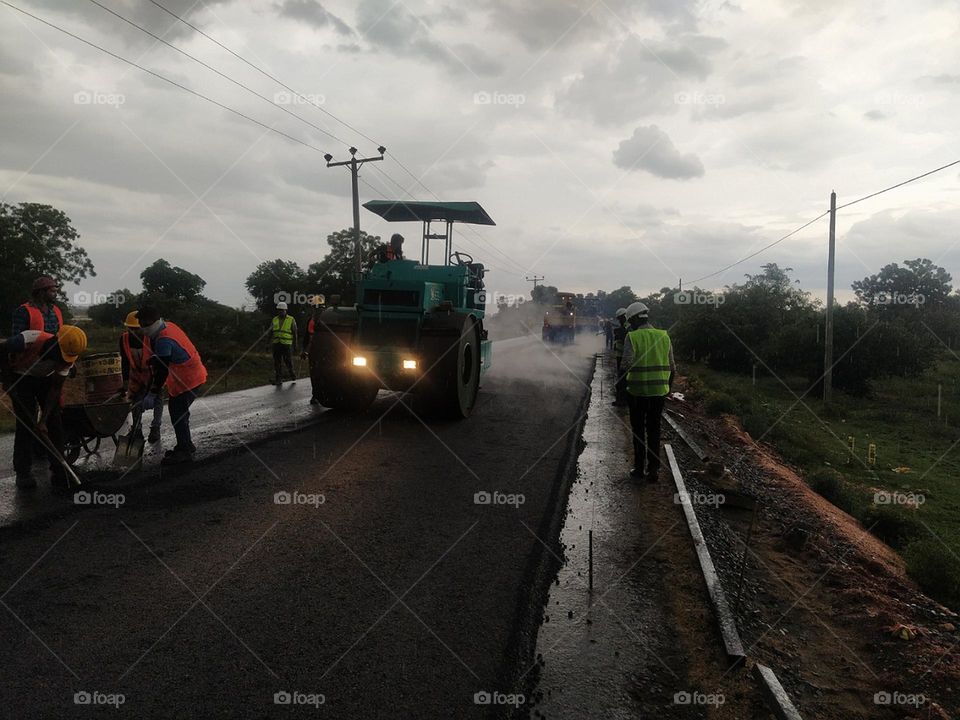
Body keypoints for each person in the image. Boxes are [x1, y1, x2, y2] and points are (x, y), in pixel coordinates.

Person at [0, 325, 87, 491]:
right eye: (60, 355)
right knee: (26, 423)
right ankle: (23, 472)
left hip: (45, 381)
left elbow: (55, 389)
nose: (62, 360)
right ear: (55, 342)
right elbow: (2, 348)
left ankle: (59, 471)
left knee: (54, 422)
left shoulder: (67, 359)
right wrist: (6, 378)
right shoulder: (28, 339)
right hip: (21, 377)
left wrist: (44, 420)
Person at [137, 306, 207, 466]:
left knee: (178, 412)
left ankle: (184, 451)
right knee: (179, 411)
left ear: (155, 321)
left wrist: (152, 393)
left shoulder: (164, 338)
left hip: (190, 378)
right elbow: (165, 357)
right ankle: (186, 444)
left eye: (145, 323)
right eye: (140, 323)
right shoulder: (163, 329)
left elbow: (162, 370)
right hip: (184, 376)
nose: (142, 326)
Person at [620, 301, 676, 482]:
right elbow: (672, 367)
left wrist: (622, 385)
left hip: (637, 393)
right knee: (654, 430)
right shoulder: (664, 336)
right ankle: (653, 470)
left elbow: (625, 365)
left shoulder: (632, 337)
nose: (631, 325)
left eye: (631, 321)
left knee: (638, 430)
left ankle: (638, 469)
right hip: (659, 392)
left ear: (635, 319)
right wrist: (668, 389)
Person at [119, 310, 163, 443]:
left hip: (153, 374)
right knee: (135, 401)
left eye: (136, 329)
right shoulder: (124, 339)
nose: (133, 332)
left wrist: (154, 387)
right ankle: (137, 430)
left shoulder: (150, 337)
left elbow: (159, 361)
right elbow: (125, 362)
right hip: (136, 377)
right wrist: (125, 382)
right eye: (130, 328)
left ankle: (155, 428)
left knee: (157, 399)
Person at [301, 295, 325, 405]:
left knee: (322, 373)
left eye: (319, 308)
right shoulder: (310, 320)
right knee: (314, 373)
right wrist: (303, 350)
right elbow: (307, 337)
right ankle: (316, 395)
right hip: (313, 352)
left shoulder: (328, 319)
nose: (317, 310)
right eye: (316, 308)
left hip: (324, 352)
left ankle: (321, 394)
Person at [270, 301, 298, 386]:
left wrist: (295, 344)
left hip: (286, 344)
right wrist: (267, 343)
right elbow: (270, 332)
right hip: (276, 344)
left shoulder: (291, 319)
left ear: (286, 310)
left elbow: (295, 332)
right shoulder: (274, 319)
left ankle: (292, 373)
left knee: (288, 361)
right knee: (277, 362)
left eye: (282, 310)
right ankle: (279, 379)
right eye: (279, 310)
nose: (280, 312)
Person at [611, 308, 628, 407]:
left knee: (622, 379)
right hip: (620, 355)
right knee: (621, 378)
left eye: (620, 318)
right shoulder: (622, 326)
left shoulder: (628, 326)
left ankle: (622, 401)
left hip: (624, 356)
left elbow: (626, 338)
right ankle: (621, 399)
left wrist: (619, 335)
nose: (619, 320)